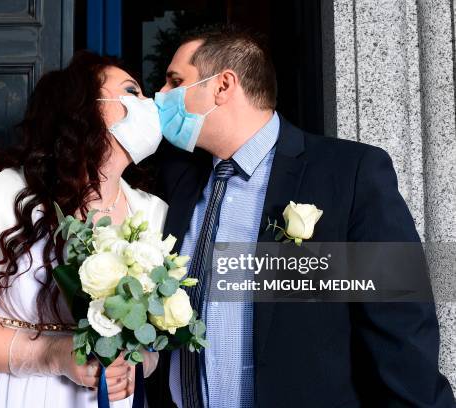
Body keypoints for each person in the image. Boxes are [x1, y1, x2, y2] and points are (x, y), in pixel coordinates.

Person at [146, 26, 456, 407]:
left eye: (175, 80)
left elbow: (402, 327)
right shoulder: (177, 180)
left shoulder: (348, 174)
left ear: (222, 86)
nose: (161, 95)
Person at [0, 50, 164, 408]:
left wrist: (138, 363)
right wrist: (51, 356)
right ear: (85, 108)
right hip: (13, 392)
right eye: (132, 91)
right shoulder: (10, 193)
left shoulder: (153, 212)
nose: (149, 104)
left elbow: (154, 343)